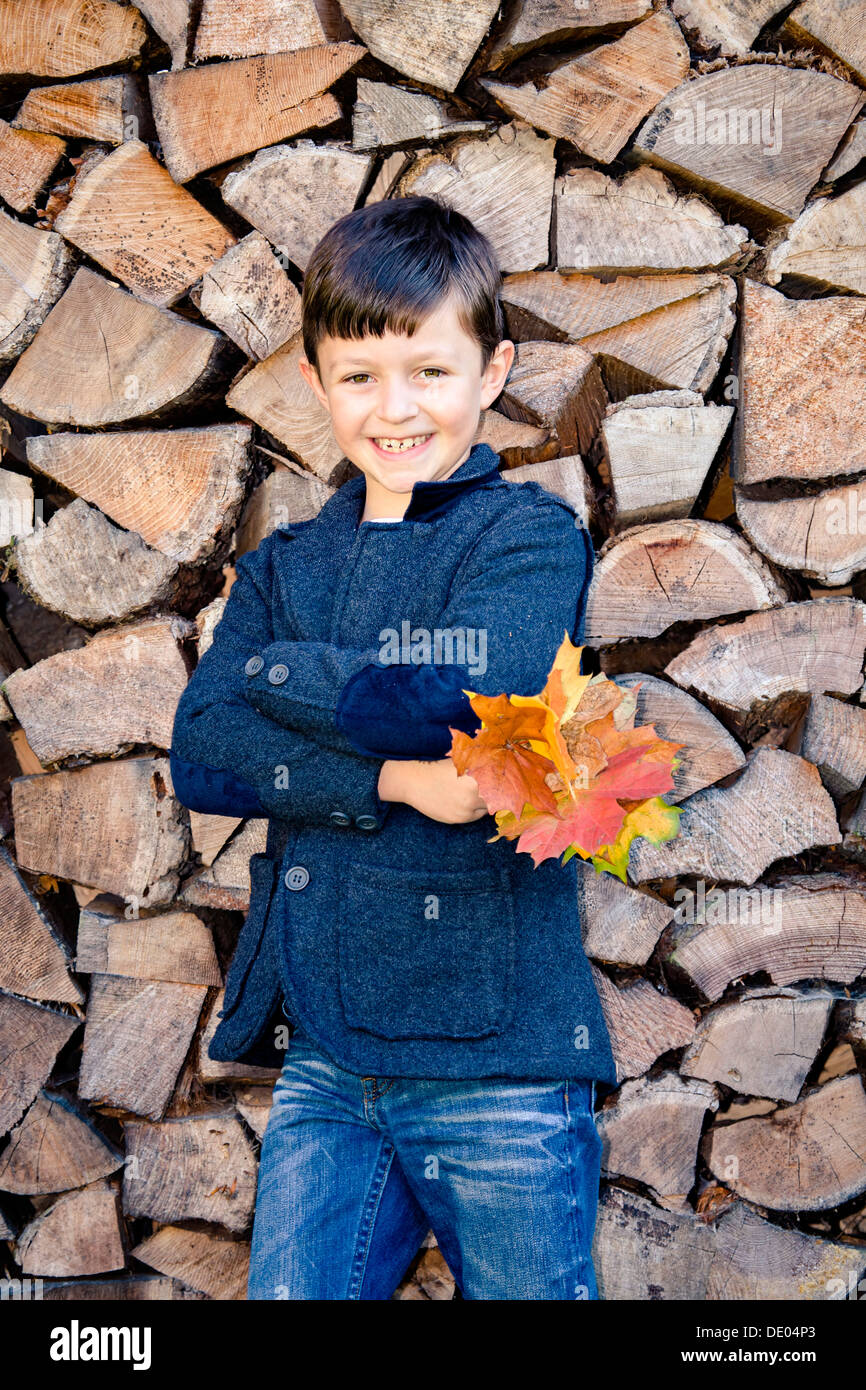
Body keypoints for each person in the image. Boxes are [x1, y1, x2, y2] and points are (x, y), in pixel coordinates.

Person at [170, 195, 617, 1300]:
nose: (394, 406)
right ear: (316, 383)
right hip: (326, 1057)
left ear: (491, 367)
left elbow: (479, 689)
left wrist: (279, 670)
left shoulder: (523, 533)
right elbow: (205, 750)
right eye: (358, 376)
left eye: (427, 369)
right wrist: (395, 776)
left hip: (495, 1061)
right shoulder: (287, 562)